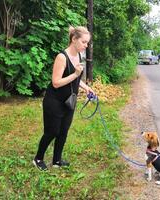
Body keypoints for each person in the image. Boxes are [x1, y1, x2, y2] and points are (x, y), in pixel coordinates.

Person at [33, 26, 94, 171]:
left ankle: (57, 160)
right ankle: (38, 158)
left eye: (87, 43)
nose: (86, 46)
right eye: (84, 42)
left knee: (63, 131)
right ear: (74, 39)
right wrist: (75, 74)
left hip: (69, 101)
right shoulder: (62, 57)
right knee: (52, 131)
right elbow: (56, 82)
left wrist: (86, 87)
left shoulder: (79, 56)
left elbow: (76, 79)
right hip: (54, 101)